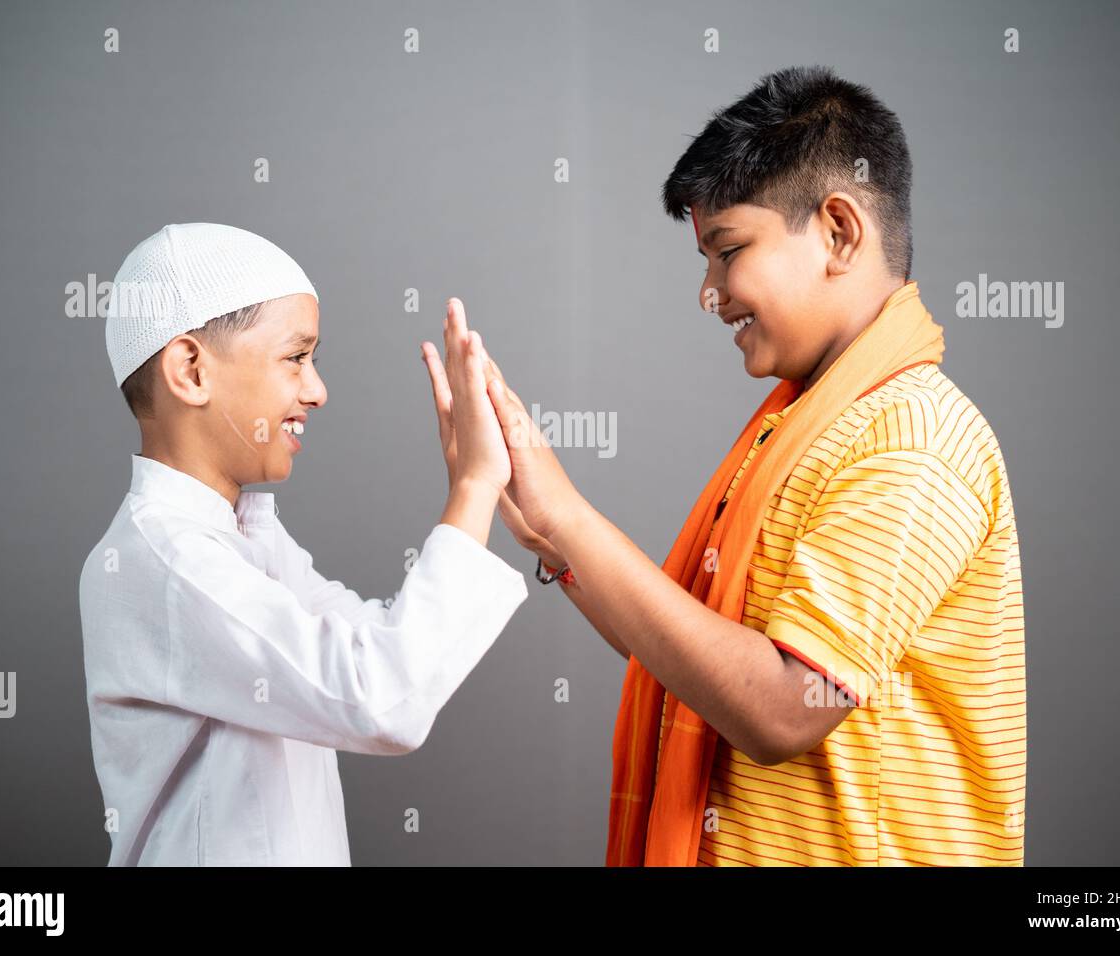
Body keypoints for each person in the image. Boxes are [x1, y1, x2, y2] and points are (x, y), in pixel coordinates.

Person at [439, 66, 1026, 866]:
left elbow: (784, 705)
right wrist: (550, 534)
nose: (711, 292)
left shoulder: (910, 434)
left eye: (728, 251)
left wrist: (575, 520)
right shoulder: (805, 423)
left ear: (840, 232)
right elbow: (703, 661)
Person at [79, 222, 526, 865]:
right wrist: (476, 486)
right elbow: (381, 698)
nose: (317, 390)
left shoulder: (245, 532)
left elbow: (383, 650)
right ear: (191, 370)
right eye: (296, 357)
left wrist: (481, 493)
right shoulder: (167, 559)